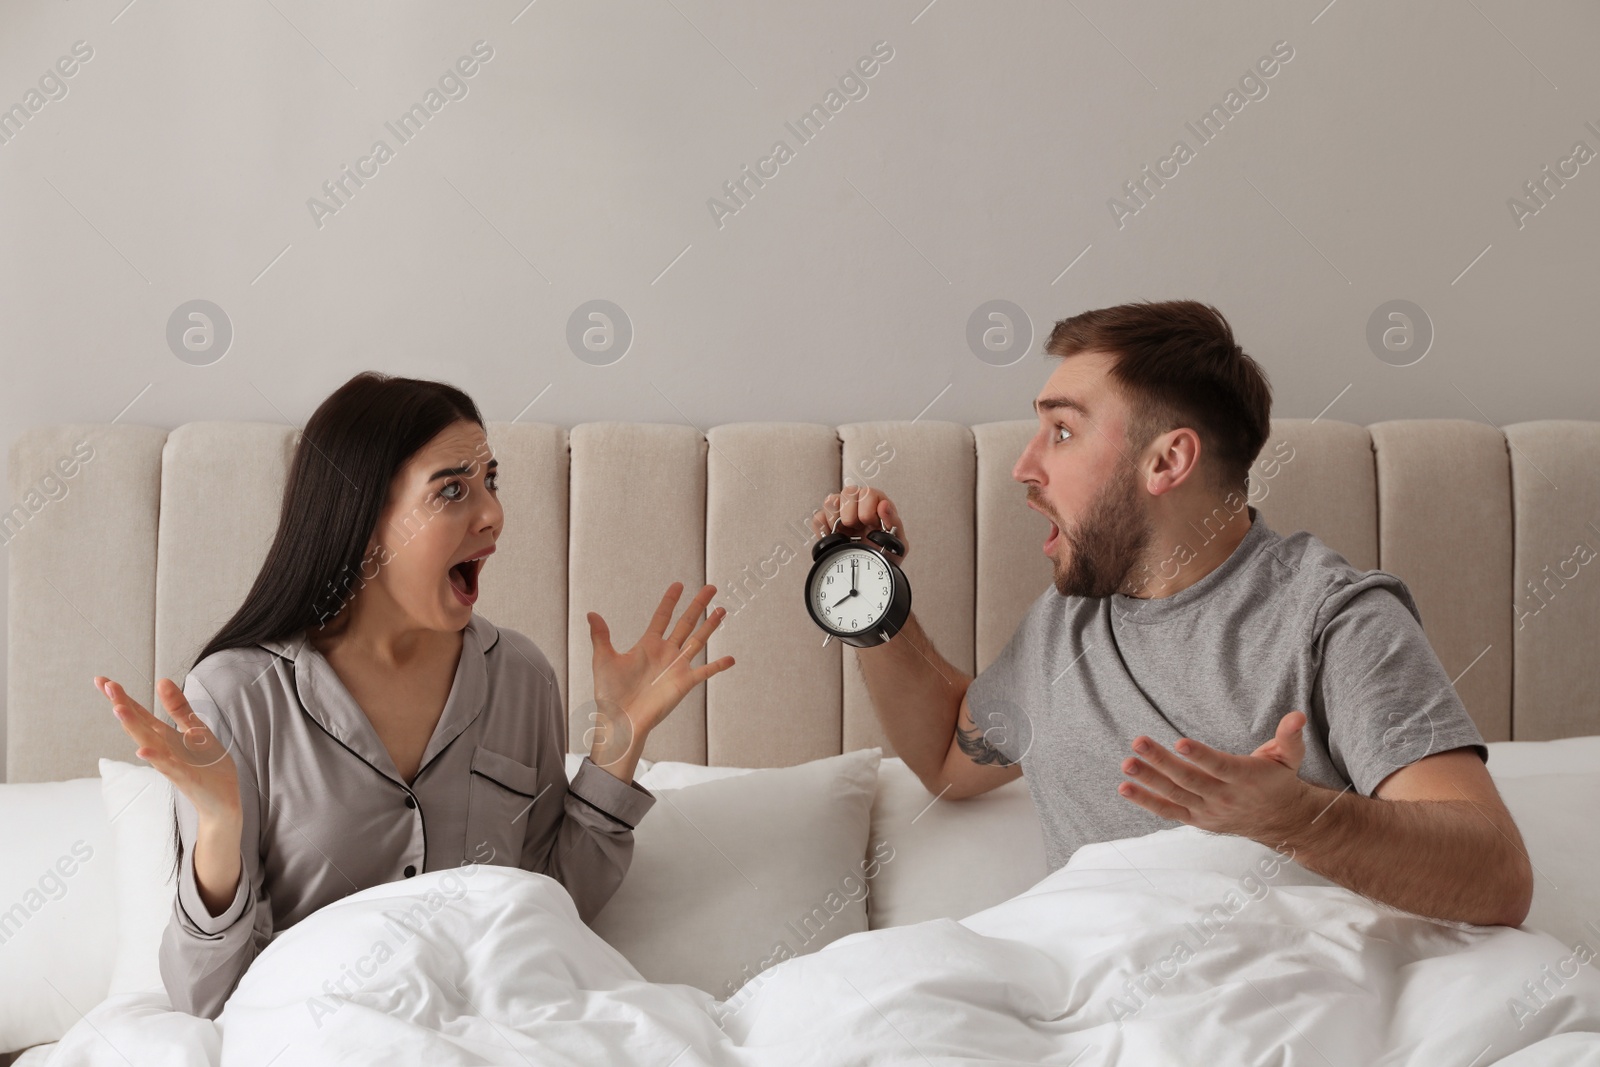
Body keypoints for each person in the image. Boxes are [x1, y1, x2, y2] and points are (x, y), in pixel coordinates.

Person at [813, 298, 1533, 928]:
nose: (1024, 466)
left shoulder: (1332, 621)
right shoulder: (1063, 627)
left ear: (1167, 461)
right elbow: (947, 756)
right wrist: (871, 595)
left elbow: (1498, 875)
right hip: (1093, 1000)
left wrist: (1293, 818)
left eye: (1062, 432)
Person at [96, 371, 734, 1019]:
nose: (492, 513)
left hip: (510, 1030)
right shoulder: (237, 696)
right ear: (364, 517)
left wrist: (615, 746)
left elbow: (551, 902)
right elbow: (206, 998)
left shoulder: (522, 676)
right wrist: (219, 827)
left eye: (491, 481)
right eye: (452, 489)